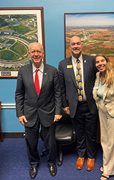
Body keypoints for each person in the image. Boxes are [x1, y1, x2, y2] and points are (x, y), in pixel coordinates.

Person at [15, 42, 62, 179]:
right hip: (29, 114)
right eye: (33, 52)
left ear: (43, 53)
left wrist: (58, 111)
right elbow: (19, 94)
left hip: (49, 112)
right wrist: (20, 113)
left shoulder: (52, 71)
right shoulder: (22, 71)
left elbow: (57, 93)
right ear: (29, 54)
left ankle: (51, 162)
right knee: (31, 142)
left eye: (38, 51)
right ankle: (34, 163)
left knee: (50, 142)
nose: (36, 54)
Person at [58, 36, 98, 171]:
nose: (76, 46)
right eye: (73, 44)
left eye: (78, 43)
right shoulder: (63, 64)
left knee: (91, 133)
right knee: (79, 133)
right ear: (70, 46)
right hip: (75, 106)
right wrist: (65, 105)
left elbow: (101, 79)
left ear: (82, 45)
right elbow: (61, 88)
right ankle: (81, 155)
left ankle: (91, 156)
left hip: (91, 105)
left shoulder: (92, 61)